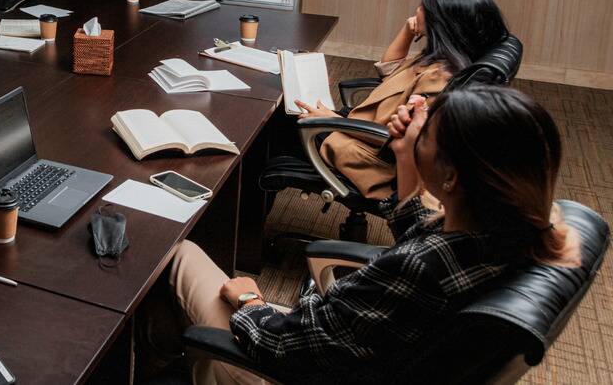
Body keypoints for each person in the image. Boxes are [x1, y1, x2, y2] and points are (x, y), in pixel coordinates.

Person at [165, 85, 581, 384]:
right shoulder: (517, 231)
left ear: (452, 179)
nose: (418, 134)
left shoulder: (419, 269)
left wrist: (250, 301)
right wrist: (407, 157)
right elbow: (424, 235)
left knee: (176, 252)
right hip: (353, 348)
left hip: (289, 361)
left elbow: (290, 348)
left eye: (429, 135)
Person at [294, 0, 509, 199]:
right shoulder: (445, 58)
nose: (416, 10)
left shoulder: (440, 78)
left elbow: (405, 139)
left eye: (422, 7)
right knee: (291, 113)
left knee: (277, 128)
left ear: (440, 21)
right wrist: (408, 30)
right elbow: (388, 69)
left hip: (372, 156)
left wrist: (333, 119)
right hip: (363, 130)